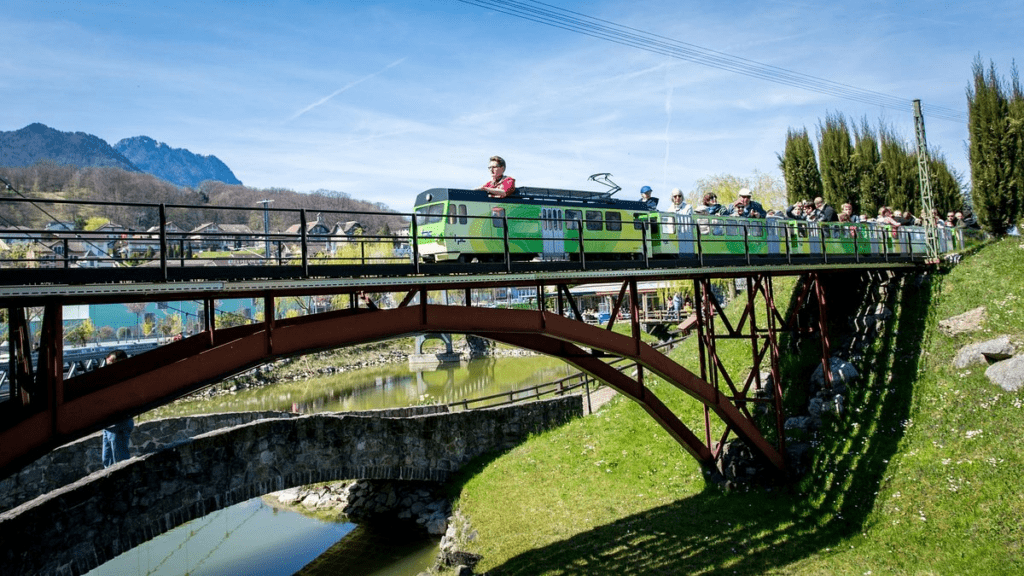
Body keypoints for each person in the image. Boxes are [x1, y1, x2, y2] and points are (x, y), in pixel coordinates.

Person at [101, 349, 134, 468]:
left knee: (120, 462)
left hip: (118, 424)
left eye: (111, 364)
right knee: (107, 461)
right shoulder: (112, 378)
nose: (108, 368)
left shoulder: (124, 379)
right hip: (109, 426)